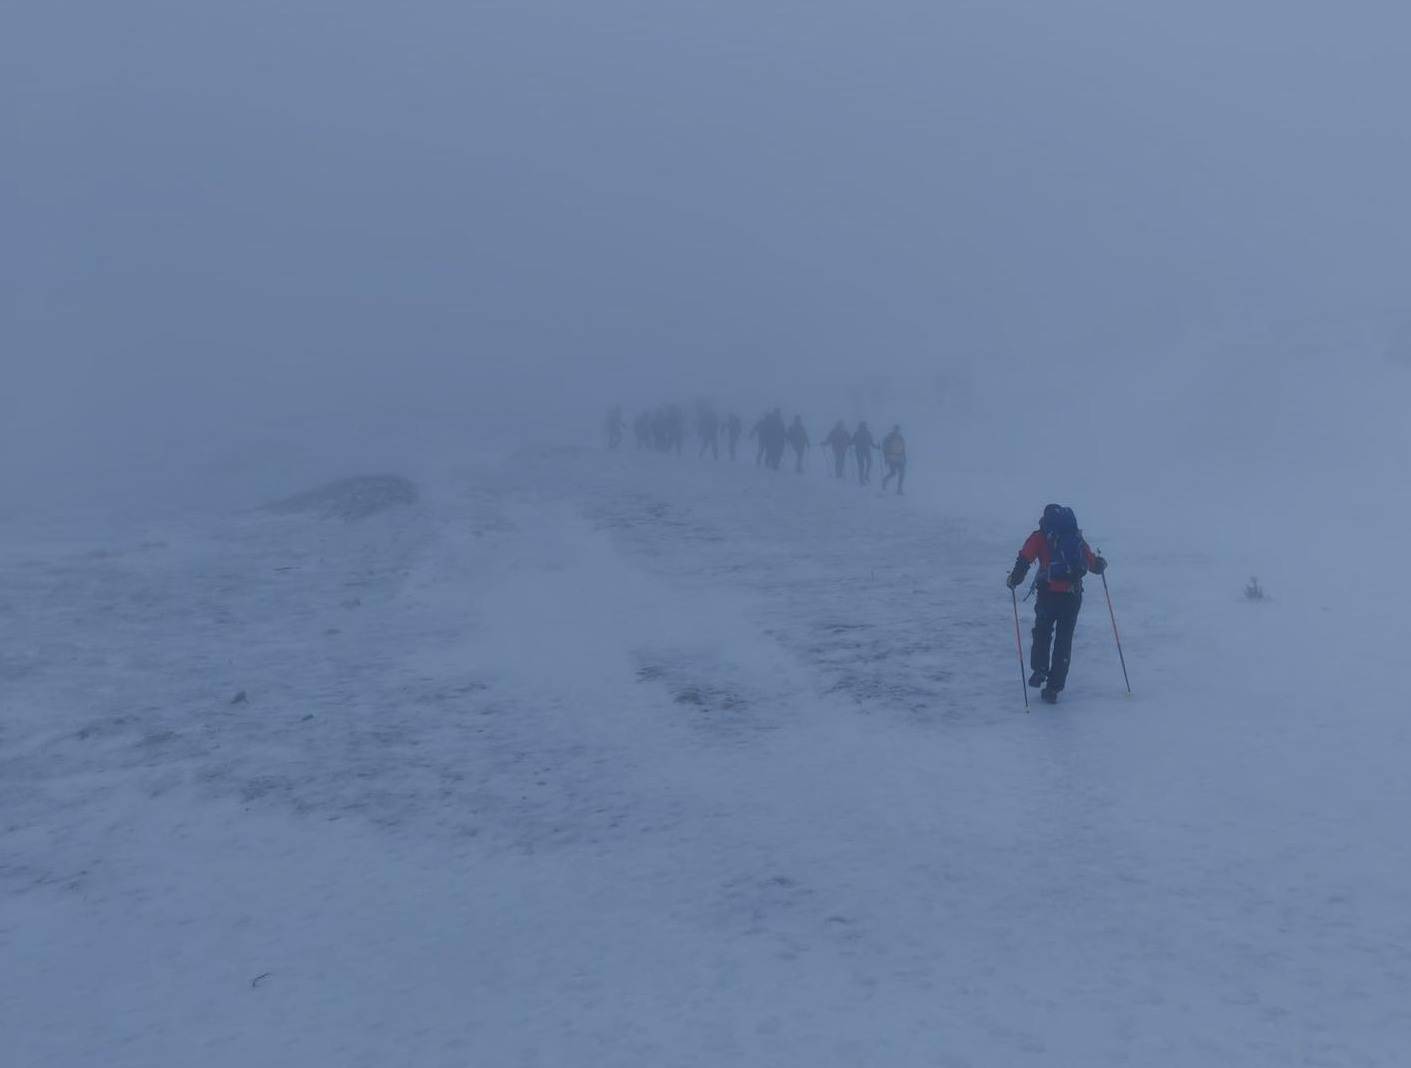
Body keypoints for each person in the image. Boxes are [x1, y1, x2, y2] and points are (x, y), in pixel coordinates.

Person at [1006, 504, 1108, 704]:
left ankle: (1039, 670)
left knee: (1042, 632)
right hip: (1072, 596)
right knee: (1064, 641)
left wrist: (1013, 580)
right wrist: (1100, 564)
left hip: (1047, 595)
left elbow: (1024, 559)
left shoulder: (1040, 536)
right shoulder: (1074, 536)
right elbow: (1091, 563)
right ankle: (1054, 688)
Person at [880, 424, 907, 494]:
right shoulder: (889, 437)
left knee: (902, 473)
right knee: (893, 473)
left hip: (900, 458)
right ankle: (884, 480)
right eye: (896, 429)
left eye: (898, 429)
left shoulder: (900, 437)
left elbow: (903, 448)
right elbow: (884, 448)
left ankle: (899, 489)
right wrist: (886, 457)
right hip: (891, 457)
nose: (897, 430)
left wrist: (905, 457)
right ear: (893, 429)